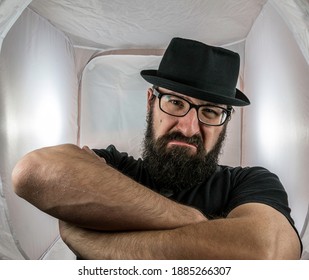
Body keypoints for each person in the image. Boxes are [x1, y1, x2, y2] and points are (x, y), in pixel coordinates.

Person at [12, 37, 301, 259]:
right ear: (151, 101)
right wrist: (192, 220)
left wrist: (94, 242)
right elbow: (31, 172)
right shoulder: (110, 167)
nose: (188, 128)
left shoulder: (250, 182)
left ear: (224, 122)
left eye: (210, 112)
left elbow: (268, 253)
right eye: (176, 103)